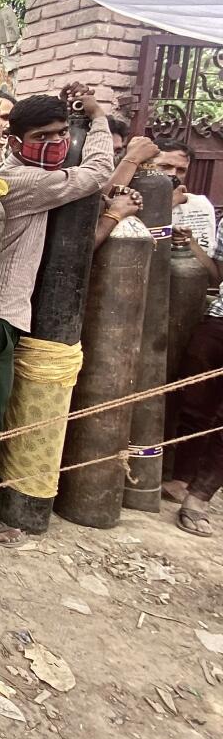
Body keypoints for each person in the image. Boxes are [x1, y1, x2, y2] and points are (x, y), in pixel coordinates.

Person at [0, 82, 114, 545]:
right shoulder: (25, 180)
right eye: (42, 136)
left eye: (62, 134)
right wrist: (99, 116)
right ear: (15, 140)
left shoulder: (5, 170)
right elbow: (97, 172)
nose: (55, 144)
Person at [164, 218, 223, 533]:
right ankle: (181, 479)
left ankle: (199, 497)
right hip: (218, 320)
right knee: (194, 402)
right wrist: (194, 247)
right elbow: (219, 275)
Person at [155, 139, 216, 249]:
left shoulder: (199, 205)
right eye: (165, 166)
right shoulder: (130, 200)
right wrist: (170, 202)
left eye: (181, 170)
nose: (173, 174)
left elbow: (207, 261)